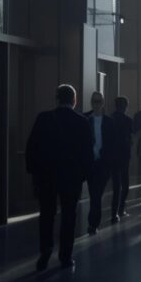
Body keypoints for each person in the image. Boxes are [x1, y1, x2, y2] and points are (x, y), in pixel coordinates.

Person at [25, 84, 93, 271]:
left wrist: (34, 173)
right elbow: (88, 152)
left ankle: (46, 249)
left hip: (47, 176)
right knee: (69, 215)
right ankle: (66, 255)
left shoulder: (44, 119)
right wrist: (84, 175)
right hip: (71, 177)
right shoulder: (82, 122)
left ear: (57, 99)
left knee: (46, 214)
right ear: (74, 100)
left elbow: (32, 147)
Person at [83, 91, 117, 235]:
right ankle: (93, 223)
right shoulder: (85, 119)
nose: (96, 104)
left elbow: (113, 143)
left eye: (98, 101)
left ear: (103, 103)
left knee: (97, 193)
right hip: (91, 163)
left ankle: (93, 222)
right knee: (94, 193)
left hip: (104, 163)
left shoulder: (109, 122)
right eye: (94, 101)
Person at [108, 96, 133, 222]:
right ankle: (121, 209)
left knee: (116, 185)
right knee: (125, 184)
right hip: (124, 155)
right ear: (125, 106)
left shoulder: (110, 119)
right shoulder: (128, 120)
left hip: (112, 155)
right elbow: (131, 135)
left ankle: (114, 213)